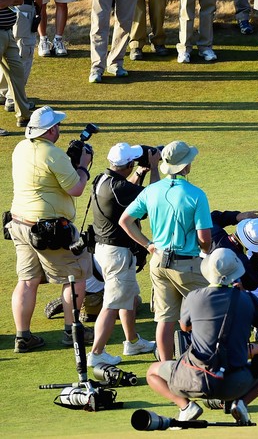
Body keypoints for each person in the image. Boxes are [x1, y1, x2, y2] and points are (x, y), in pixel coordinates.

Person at [146, 249, 258, 425]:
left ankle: (186, 406)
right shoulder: (249, 299)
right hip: (235, 383)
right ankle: (241, 403)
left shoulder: (194, 296)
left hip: (192, 379)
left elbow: (185, 326)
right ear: (235, 273)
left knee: (153, 371)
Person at [120, 140, 213, 361]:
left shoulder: (151, 190)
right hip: (187, 264)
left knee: (165, 319)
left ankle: (166, 367)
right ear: (185, 166)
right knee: (206, 315)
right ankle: (206, 361)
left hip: (159, 261)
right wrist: (206, 251)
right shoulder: (196, 194)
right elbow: (205, 239)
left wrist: (148, 244)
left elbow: (125, 221)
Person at [10, 106, 92, 353]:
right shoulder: (53, 155)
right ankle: (72, 332)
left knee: (27, 281)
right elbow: (76, 188)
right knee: (75, 277)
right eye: (56, 126)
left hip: (19, 223)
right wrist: (83, 167)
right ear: (51, 129)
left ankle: (22, 336)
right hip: (49, 229)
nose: (59, 129)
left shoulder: (21, 148)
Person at [86, 142, 159, 367]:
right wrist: (154, 167)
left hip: (106, 250)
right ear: (127, 164)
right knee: (112, 304)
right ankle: (97, 353)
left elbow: (126, 196)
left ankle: (133, 341)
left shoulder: (102, 179)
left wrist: (139, 172)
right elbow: (154, 198)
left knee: (127, 298)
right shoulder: (119, 188)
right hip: (117, 253)